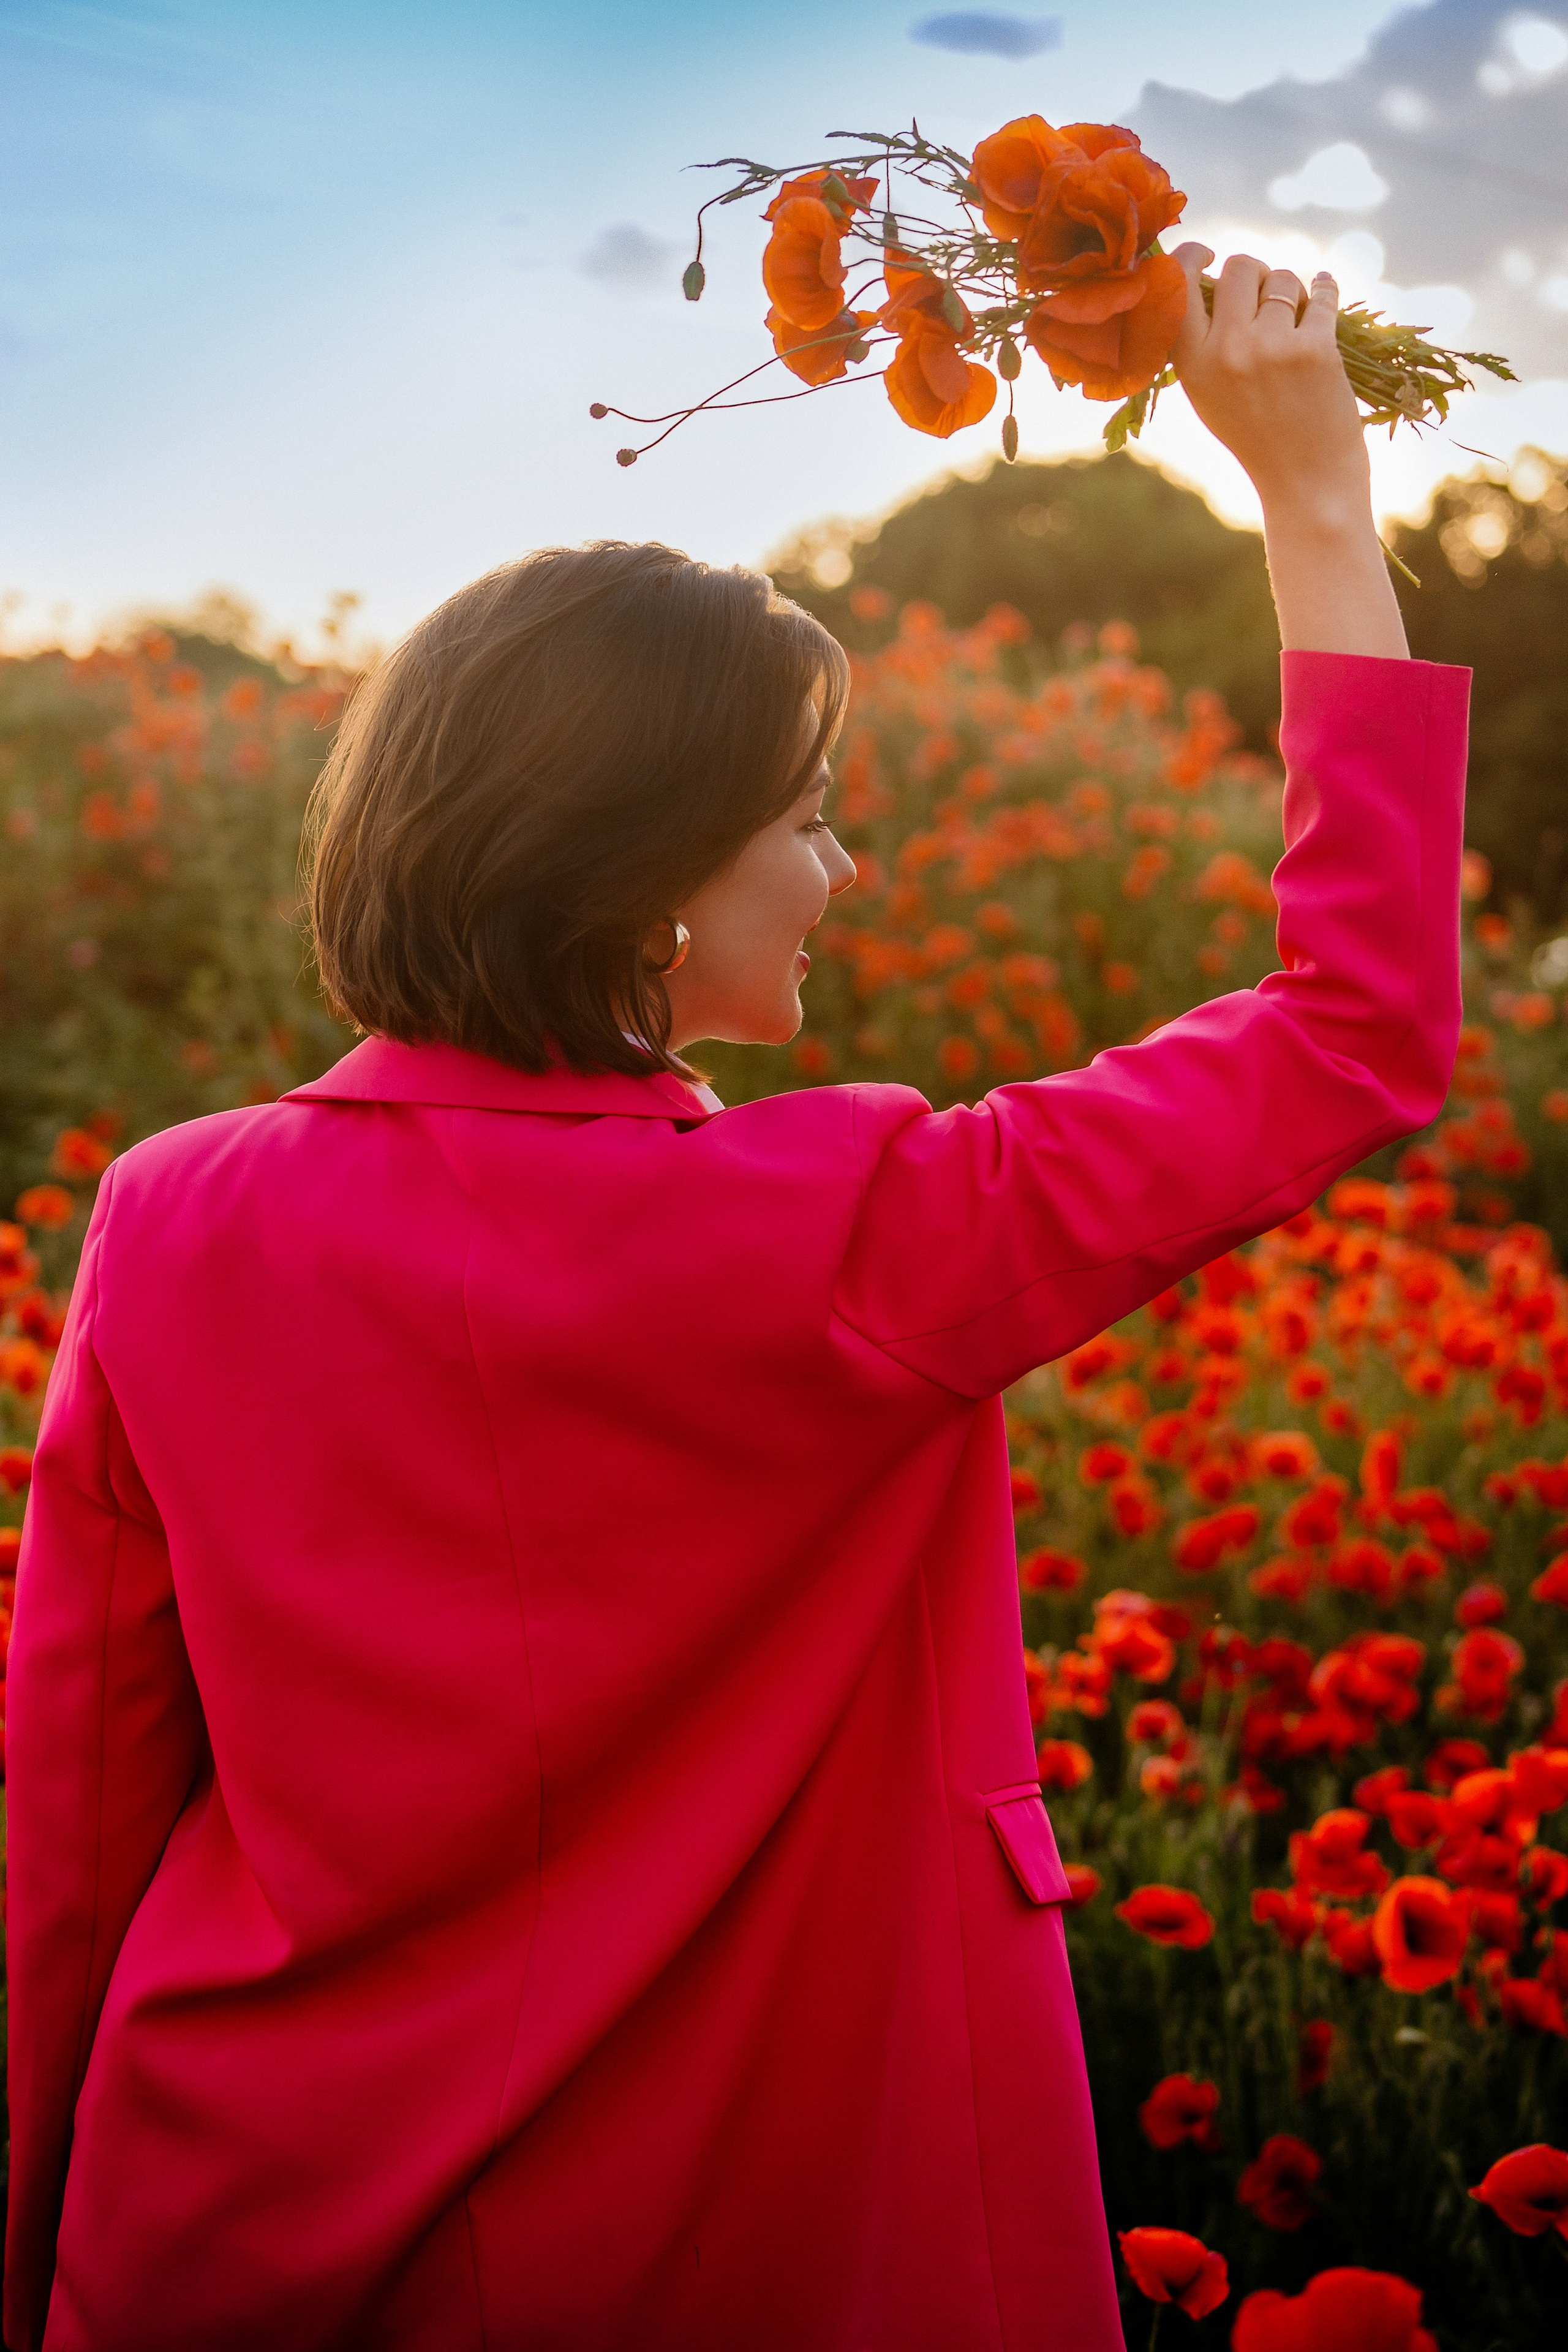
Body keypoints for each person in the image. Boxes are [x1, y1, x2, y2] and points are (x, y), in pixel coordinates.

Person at [6, 247, 1467, 2352]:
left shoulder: (167, 1219)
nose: (840, 871)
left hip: (237, 2215)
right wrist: (1316, 499)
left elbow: (77, 1813)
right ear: (646, 882)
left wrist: (40, 2237)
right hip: (759, 2235)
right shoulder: (864, 1231)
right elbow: (1353, 1027)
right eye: (806, 820)